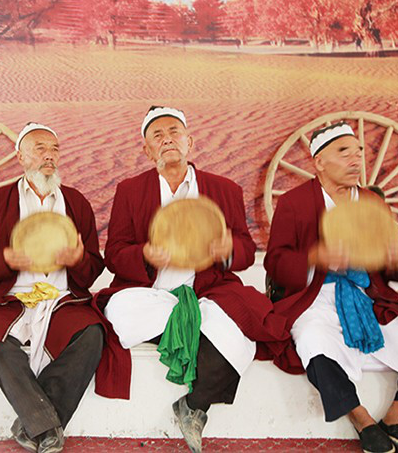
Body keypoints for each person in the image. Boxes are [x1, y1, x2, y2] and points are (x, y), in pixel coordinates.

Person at [98, 106, 288, 453]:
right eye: (157, 135)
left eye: (174, 132)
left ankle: (194, 406)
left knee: (242, 333)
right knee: (119, 312)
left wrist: (228, 249)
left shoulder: (224, 189)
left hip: (207, 293)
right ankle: (195, 333)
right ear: (147, 150)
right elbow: (114, 253)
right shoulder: (130, 190)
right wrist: (145, 254)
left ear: (190, 142)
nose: (167, 139)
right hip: (150, 294)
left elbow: (246, 250)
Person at [263, 121, 398, 453]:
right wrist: (314, 257)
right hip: (314, 298)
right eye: (344, 151)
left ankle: (395, 417)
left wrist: (397, 259)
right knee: (313, 341)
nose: (355, 159)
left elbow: (394, 271)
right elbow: (275, 263)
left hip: (368, 296)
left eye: (359, 151)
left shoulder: (372, 202)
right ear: (319, 161)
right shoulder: (294, 203)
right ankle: (363, 422)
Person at [0, 123, 105, 453]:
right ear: (20, 156)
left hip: (62, 299)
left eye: (55, 149)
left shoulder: (76, 202)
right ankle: (47, 427)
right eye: (40, 148)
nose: (49, 156)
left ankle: (33, 424)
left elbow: (93, 267)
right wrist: (6, 259)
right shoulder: (0, 201)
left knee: (92, 334)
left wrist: (77, 259)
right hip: (11, 298)